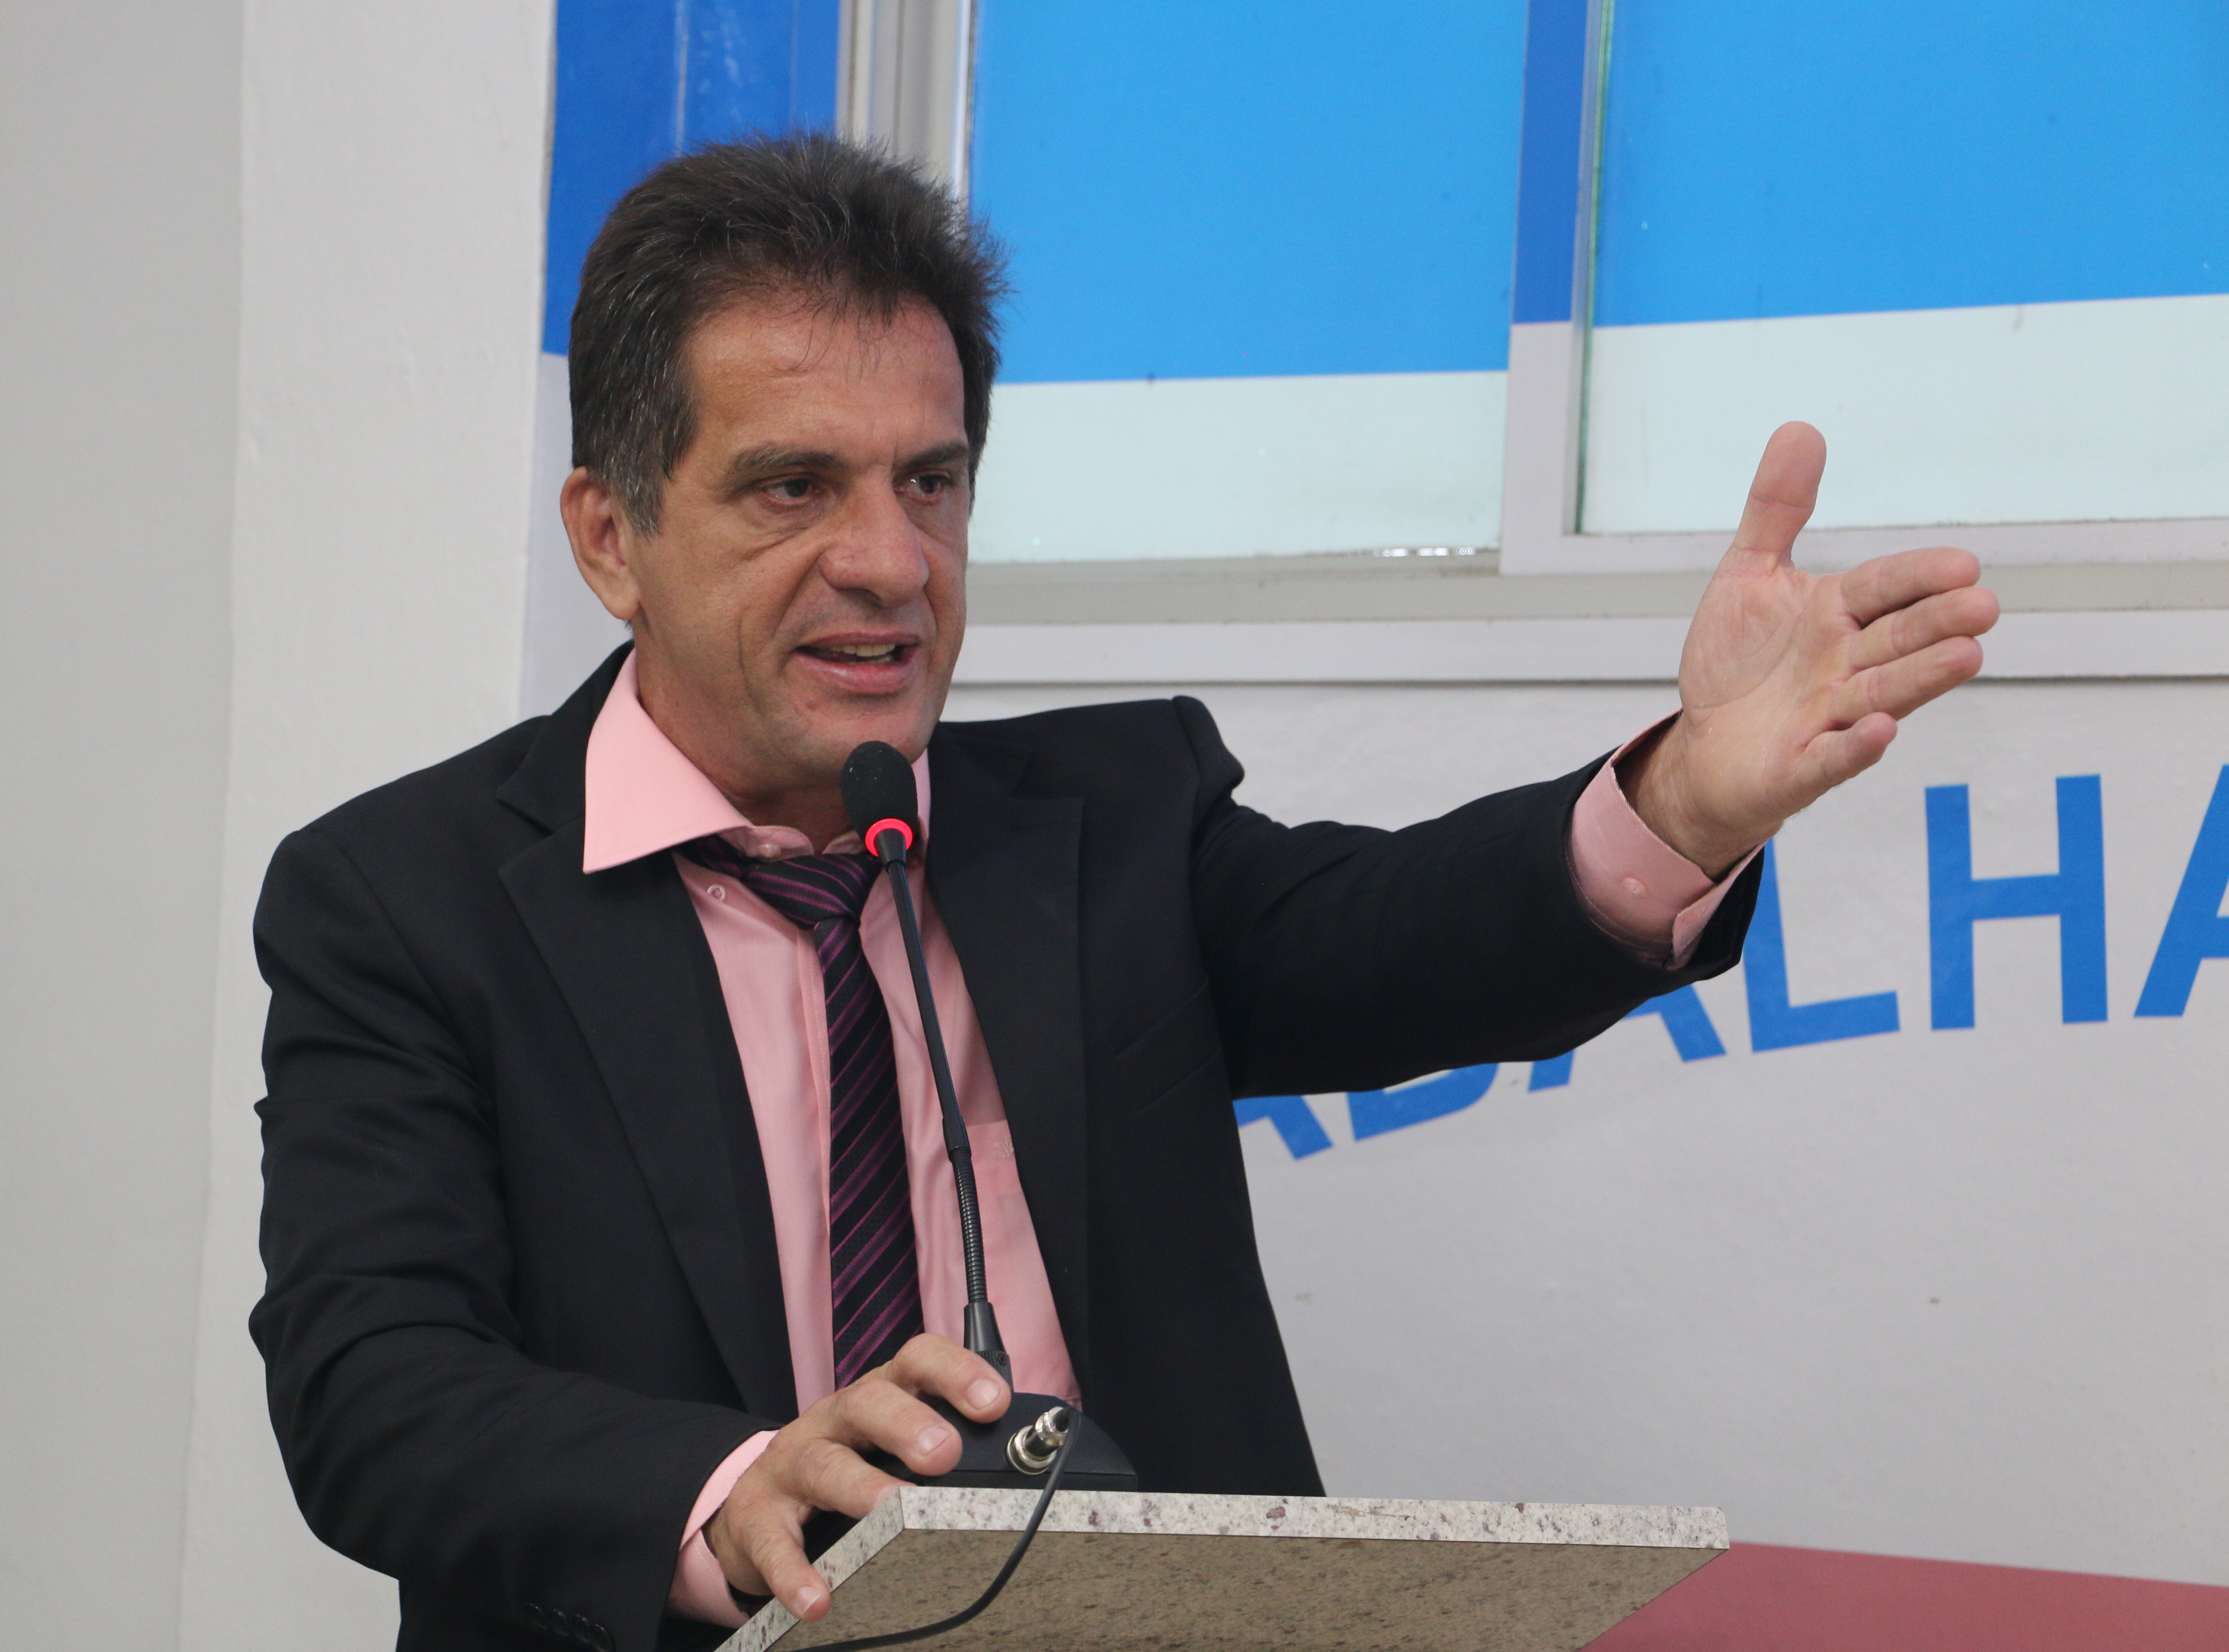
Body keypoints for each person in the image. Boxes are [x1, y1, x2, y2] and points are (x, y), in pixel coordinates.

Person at [250, 135, 1996, 1652]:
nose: (889, 563)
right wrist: (734, 1493)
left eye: (931, 483)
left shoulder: (1109, 827)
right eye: (794, 487)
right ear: (610, 535)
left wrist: (1682, 799)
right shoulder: (403, 902)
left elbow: (1406, 940)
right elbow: (374, 1385)